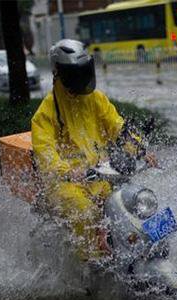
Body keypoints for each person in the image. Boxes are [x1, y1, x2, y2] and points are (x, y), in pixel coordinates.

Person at [31, 39, 156, 262]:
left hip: (98, 175)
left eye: (83, 71)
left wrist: (140, 151)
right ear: (58, 73)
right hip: (64, 183)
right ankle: (92, 265)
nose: (81, 78)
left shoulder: (96, 99)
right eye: (74, 73)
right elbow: (45, 153)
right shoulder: (45, 113)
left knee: (132, 202)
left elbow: (118, 127)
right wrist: (67, 171)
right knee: (85, 211)